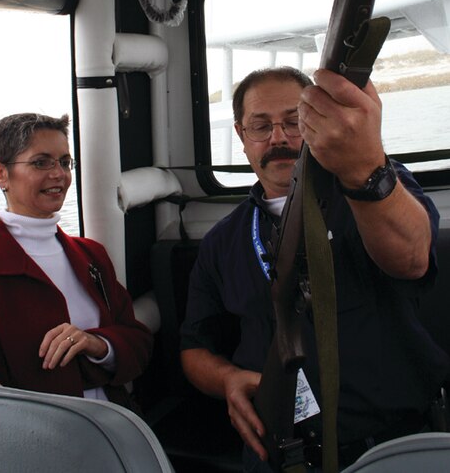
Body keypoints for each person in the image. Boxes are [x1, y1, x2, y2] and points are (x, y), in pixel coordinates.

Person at [180, 67, 450, 471]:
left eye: (294, 122)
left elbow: (412, 259)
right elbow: (194, 347)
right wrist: (227, 380)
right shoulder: (222, 241)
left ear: (316, 124)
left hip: (394, 443)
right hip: (276, 455)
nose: (278, 138)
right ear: (241, 136)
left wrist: (365, 169)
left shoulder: (375, 189)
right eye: (260, 126)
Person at [0, 113, 153, 415]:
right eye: (41, 162)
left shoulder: (92, 255)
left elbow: (138, 343)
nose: (59, 173)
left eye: (64, 161)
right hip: (34, 439)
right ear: (1, 174)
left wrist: (97, 343)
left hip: (113, 423)